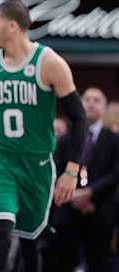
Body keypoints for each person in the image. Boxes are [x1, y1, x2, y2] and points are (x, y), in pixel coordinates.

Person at [0, 0, 87, 272]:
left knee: (29, 240)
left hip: (37, 164)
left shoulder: (50, 62)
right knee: (3, 228)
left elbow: (79, 118)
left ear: (12, 26)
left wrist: (71, 171)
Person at [49, 87, 119, 272]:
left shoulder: (114, 140)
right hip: (67, 208)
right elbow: (55, 168)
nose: (90, 103)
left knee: (99, 263)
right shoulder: (65, 139)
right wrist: (74, 197)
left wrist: (90, 193)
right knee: (59, 261)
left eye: (96, 100)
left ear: (104, 109)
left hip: (100, 209)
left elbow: (115, 173)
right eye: (86, 99)